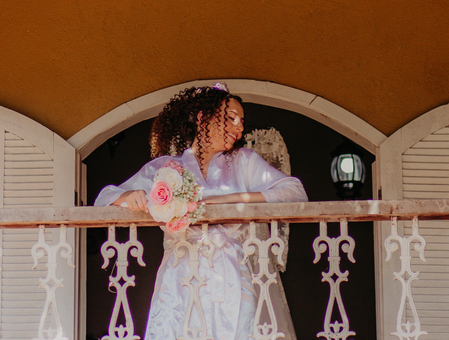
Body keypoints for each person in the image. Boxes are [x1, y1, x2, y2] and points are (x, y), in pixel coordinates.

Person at [95, 83, 307, 340]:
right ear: (202, 118)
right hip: (180, 277)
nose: (239, 127)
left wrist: (231, 200)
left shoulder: (243, 161)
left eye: (242, 122)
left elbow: (295, 193)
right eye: (231, 118)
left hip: (232, 276)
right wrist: (127, 196)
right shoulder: (165, 169)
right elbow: (103, 199)